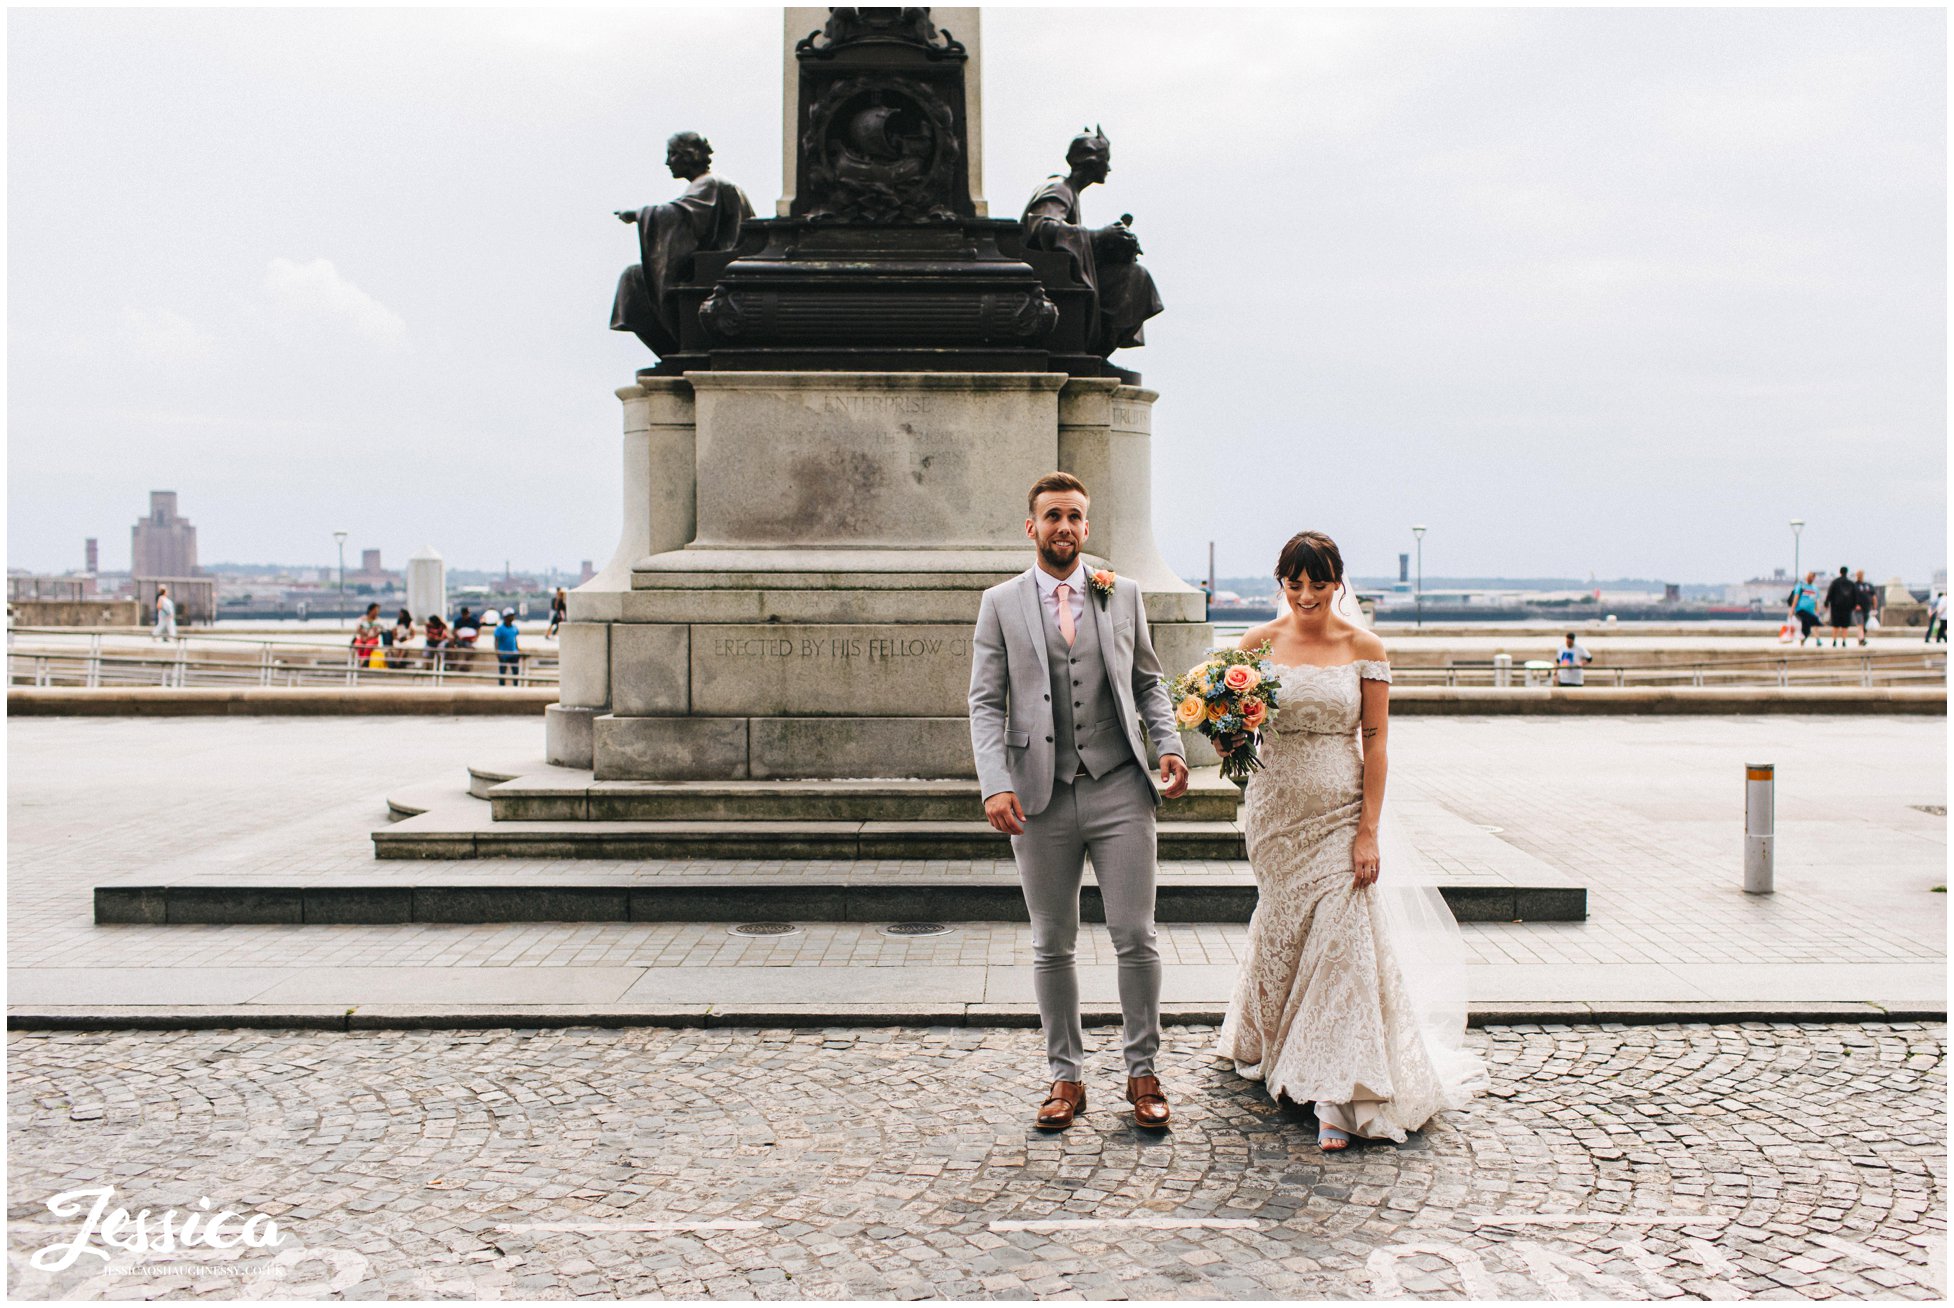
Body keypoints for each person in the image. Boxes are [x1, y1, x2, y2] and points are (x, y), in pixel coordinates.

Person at [1216, 531, 1486, 1151]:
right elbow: (1234, 733)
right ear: (1281, 582)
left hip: (1340, 811)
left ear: (1339, 582)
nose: (1307, 595)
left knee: (1343, 941)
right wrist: (1223, 732)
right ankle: (1271, 1040)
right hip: (1276, 812)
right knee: (1284, 930)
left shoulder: (1364, 647)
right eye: (1295, 583)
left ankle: (1342, 1092)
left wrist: (1368, 830)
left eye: (1319, 583)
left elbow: (1377, 741)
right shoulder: (1255, 646)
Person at [968, 472, 1190, 1132]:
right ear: (1030, 527)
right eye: (1051, 516)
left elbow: (1149, 682)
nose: (1063, 526)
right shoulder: (1000, 603)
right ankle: (1065, 1078)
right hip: (1039, 795)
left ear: (1087, 528)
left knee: (1135, 936)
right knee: (1052, 942)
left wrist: (1168, 743)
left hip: (1120, 785)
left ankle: (1143, 1071)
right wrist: (994, 781)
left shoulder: (1121, 593)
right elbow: (984, 702)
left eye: (1074, 517)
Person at [1020, 127, 1164, 360]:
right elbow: (1040, 228)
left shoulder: (1070, 192)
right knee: (1135, 277)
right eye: (1105, 160)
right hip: (1050, 285)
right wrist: (1099, 237)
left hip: (1063, 279)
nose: (1108, 168)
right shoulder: (1058, 188)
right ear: (1090, 161)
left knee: (1133, 273)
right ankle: (1095, 349)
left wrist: (1113, 246)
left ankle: (1096, 352)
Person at [611, 131, 754, 357]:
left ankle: (673, 345)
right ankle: (671, 348)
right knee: (635, 278)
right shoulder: (706, 184)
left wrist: (637, 214)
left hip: (714, 269)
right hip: (712, 265)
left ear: (690, 155)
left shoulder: (709, 183)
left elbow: (679, 215)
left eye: (673, 155)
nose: (668, 162)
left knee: (634, 280)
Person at [1824, 566, 1858, 647]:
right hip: (1847, 607)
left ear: (1840, 572)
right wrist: (1853, 605)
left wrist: (1826, 603)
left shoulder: (1835, 582)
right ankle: (1844, 641)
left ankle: (1834, 640)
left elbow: (1830, 593)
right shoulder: (1851, 583)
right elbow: (1855, 596)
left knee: (1835, 625)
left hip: (1836, 607)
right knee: (1845, 625)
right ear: (1847, 572)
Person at [1786, 571, 1821, 645]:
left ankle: (1803, 640)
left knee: (1807, 628)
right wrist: (1792, 609)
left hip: (1810, 611)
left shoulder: (1815, 588)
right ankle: (1815, 639)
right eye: (1809, 576)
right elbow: (1796, 598)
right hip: (1800, 610)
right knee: (1814, 622)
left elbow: (1816, 601)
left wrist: (1817, 611)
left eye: (1812, 576)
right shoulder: (1801, 586)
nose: (1811, 578)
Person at [1851, 569, 1879, 646]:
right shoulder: (1854, 586)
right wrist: (1855, 605)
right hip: (1858, 609)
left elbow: (1873, 597)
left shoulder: (1868, 586)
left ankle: (1861, 637)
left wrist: (1874, 607)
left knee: (1864, 625)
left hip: (1867, 609)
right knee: (1860, 624)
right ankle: (1861, 639)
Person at [352, 603, 383, 669]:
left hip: (373, 639)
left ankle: (361, 663)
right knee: (358, 644)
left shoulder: (379, 621)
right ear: (371, 610)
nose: (377, 612)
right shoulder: (362, 619)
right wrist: (364, 636)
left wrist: (369, 637)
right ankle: (359, 660)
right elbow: (358, 629)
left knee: (369, 645)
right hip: (362, 638)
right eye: (376, 610)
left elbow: (379, 632)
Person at [494, 610, 522, 685]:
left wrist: (519, 650)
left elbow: (515, 640)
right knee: (502, 673)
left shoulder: (514, 627)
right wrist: (497, 652)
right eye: (511, 615)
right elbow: (496, 641)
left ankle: (516, 688)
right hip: (503, 654)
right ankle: (502, 689)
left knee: (515, 672)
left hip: (514, 653)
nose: (513, 617)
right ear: (506, 617)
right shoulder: (499, 629)